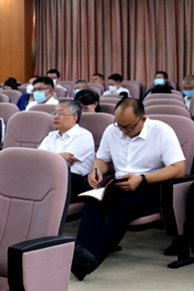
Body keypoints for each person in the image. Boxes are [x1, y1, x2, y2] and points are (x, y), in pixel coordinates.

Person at [72, 98, 185, 281]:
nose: (123, 131)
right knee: (92, 199)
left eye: (128, 127)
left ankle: (90, 259)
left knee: (124, 207)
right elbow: (102, 160)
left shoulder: (162, 131)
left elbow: (178, 169)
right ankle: (82, 252)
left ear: (143, 119)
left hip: (150, 185)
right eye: (120, 125)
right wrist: (96, 171)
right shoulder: (112, 130)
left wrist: (142, 179)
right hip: (119, 183)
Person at [38, 100, 95, 199]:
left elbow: (64, 163)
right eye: (54, 113)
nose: (55, 117)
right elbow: (39, 158)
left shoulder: (84, 136)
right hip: (51, 176)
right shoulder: (51, 136)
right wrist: (59, 156)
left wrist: (50, 158)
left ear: (74, 118)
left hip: (73, 180)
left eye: (60, 114)